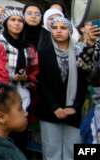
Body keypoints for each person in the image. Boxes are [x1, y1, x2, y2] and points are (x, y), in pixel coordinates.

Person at [36, 16, 85, 160]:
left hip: (73, 111)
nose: (58, 31)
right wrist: (55, 107)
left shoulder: (80, 54)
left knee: (74, 151)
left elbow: (84, 84)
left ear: (69, 31)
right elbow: (41, 82)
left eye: (63, 28)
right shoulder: (43, 53)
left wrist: (75, 107)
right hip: (49, 110)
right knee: (51, 152)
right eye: (55, 28)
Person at [0, 7, 38, 154]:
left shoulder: (29, 48)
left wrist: (26, 78)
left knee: (18, 145)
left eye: (20, 20)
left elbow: (36, 75)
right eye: (13, 20)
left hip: (21, 101)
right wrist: (11, 77)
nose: (17, 23)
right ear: (6, 23)